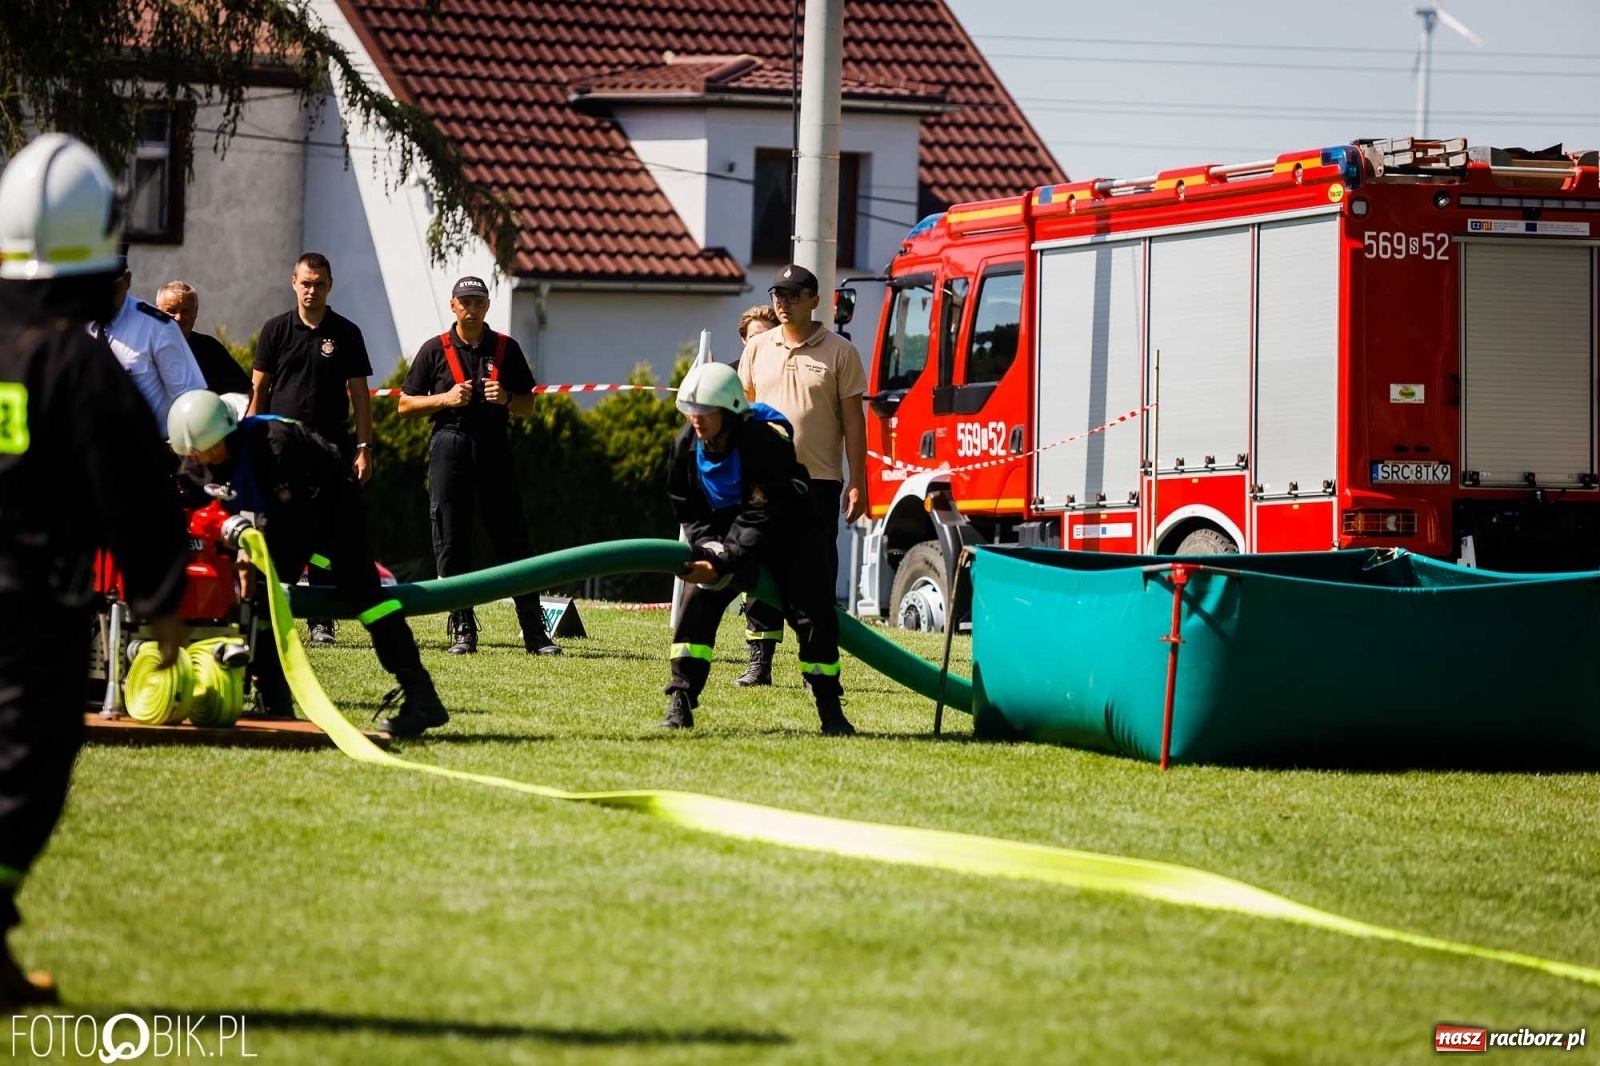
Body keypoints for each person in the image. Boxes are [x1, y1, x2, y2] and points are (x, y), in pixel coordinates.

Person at [0, 134, 189, 1008]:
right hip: (32, 616)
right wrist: (160, 601)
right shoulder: (73, 360)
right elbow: (135, 480)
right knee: (21, 779)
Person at [167, 389, 450, 739]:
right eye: (196, 453)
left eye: (211, 450)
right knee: (257, 601)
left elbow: (289, 523)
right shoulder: (197, 458)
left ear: (229, 430)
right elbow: (188, 506)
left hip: (333, 506)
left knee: (367, 598)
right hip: (281, 514)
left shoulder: (274, 445)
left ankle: (422, 699)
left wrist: (248, 557)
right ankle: (273, 700)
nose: (206, 459)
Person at [664, 361, 853, 735]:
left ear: (731, 410)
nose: (697, 420)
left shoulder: (763, 444)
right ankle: (680, 701)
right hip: (727, 535)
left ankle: (831, 711)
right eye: (692, 411)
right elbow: (684, 502)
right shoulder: (686, 445)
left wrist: (723, 559)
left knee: (813, 618)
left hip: (791, 536)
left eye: (706, 412)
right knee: (696, 606)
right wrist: (707, 545)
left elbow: (761, 516)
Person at [398, 276, 561, 656]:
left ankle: (534, 632)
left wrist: (505, 398)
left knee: (514, 538)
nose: (471, 308)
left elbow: (528, 404)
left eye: (478, 302)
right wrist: (444, 398)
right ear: (453, 305)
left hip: (494, 447)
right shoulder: (433, 350)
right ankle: (462, 628)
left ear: (487, 307)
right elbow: (405, 405)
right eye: (464, 302)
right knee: (452, 540)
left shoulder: (506, 347)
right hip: (449, 444)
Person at [732, 264, 868, 686]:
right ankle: (760, 661)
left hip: (819, 481)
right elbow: (742, 414)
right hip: (763, 480)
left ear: (815, 299)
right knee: (759, 568)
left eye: (792, 295)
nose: (782, 302)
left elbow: (854, 423)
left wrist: (859, 480)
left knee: (815, 572)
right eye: (777, 295)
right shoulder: (757, 348)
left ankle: (817, 663)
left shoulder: (841, 351)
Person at [249, 252, 374, 647]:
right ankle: (270, 615)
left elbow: (360, 398)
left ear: (329, 285)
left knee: (324, 537)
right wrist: (250, 444)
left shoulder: (347, 333)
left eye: (319, 283)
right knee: (277, 532)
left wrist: (364, 447)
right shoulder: (275, 330)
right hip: (280, 450)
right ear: (293, 283)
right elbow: (259, 391)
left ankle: (321, 622)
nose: (311, 290)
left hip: (330, 450)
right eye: (305, 282)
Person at [89, 250, 207, 427]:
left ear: (127, 281)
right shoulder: (73, 321)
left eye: (111, 288)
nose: (102, 296)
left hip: (143, 448)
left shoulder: (158, 327)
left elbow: (190, 400)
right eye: (95, 286)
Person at [155, 280, 253, 398]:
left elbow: (245, 392)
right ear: (157, 312)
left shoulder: (210, 349)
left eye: (185, 311)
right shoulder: (143, 348)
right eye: (171, 311)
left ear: (195, 313)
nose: (179, 317)